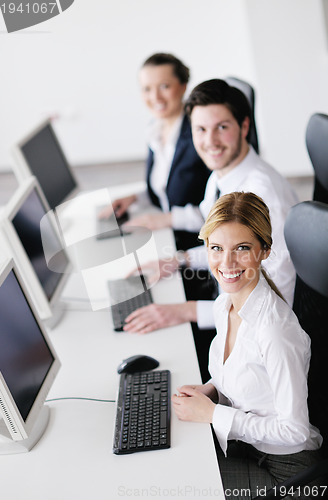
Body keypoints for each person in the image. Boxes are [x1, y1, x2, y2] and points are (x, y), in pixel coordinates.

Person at [171, 192, 323, 499]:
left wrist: (214, 414)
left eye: (241, 248)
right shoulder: (224, 304)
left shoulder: (274, 331)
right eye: (216, 248)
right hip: (248, 449)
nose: (226, 263)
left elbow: (294, 430)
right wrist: (211, 389)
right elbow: (246, 374)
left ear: (264, 250)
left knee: (182, 484)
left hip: (288, 472)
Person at [123, 79, 298, 335]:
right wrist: (179, 260)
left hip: (249, 331)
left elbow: (277, 298)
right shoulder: (221, 174)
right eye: (200, 129)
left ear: (244, 126)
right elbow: (229, 247)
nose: (210, 141)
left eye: (222, 127)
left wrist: (188, 311)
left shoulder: (264, 198)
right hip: (224, 292)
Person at [100, 53, 210, 251]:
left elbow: (222, 207)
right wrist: (136, 197)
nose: (155, 97)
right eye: (146, 89)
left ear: (183, 86)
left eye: (164, 86)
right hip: (169, 234)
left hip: (198, 245)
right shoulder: (155, 129)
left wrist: (167, 219)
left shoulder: (201, 134)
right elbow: (165, 188)